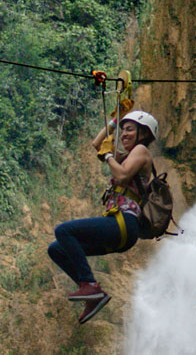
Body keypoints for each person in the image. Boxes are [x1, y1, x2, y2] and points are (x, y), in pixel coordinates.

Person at [47, 110, 158, 324]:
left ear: (143, 134)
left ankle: (90, 285)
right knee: (56, 249)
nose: (124, 134)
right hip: (119, 229)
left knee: (64, 230)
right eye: (123, 130)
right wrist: (116, 121)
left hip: (124, 222)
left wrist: (108, 155)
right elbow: (97, 143)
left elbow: (123, 176)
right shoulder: (125, 157)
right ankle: (92, 294)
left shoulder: (141, 151)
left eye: (129, 129)